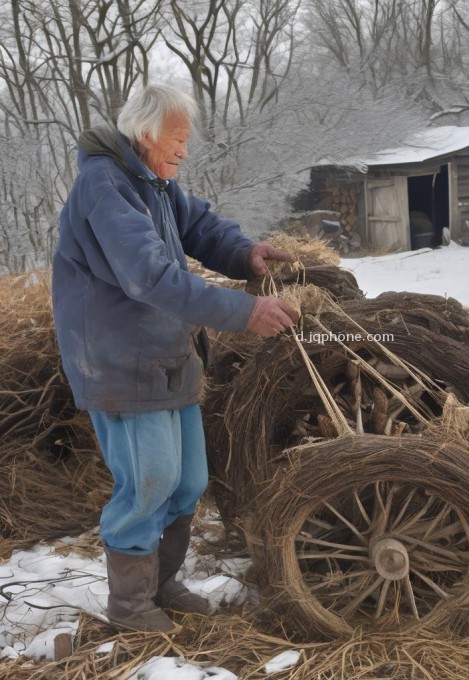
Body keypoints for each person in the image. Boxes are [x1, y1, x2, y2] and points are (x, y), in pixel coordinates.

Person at [51, 84, 299, 633]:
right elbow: (150, 276)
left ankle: (162, 584)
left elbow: (198, 226)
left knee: (187, 481)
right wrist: (244, 311)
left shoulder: (151, 180)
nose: (185, 151)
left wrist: (243, 253)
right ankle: (130, 606)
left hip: (167, 351)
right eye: (178, 139)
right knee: (148, 482)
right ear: (145, 134)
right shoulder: (105, 186)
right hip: (120, 361)